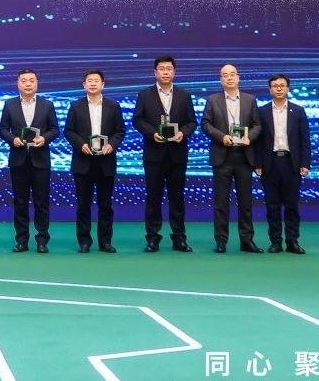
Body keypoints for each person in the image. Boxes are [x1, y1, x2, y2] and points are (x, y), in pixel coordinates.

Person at [132, 55, 197, 252]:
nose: (165, 72)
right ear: (155, 72)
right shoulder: (145, 94)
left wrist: (182, 133)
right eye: (162, 69)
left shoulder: (184, 95)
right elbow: (137, 120)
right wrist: (152, 133)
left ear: (174, 72)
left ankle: (179, 238)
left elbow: (192, 122)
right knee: (153, 198)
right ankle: (152, 238)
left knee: (177, 198)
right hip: (154, 154)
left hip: (177, 154)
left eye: (169, 69)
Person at [201, 64, 264, 254]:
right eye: (225, 75)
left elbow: (257, 125)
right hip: (222, 156)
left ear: (238, 78)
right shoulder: (212, 100)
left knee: (246, 203)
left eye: (232, 74)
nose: (229, 78)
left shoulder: (250, 100)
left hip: (244, 156)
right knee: (221, 202)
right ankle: (221, 240)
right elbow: (205, 124)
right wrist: (221, 137)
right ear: (220, 80)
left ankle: (247, 240)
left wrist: (249, 137)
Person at [64, 70, 126, 253]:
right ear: (84, 85)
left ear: (103, 84)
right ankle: (84, 241)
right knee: (83, 205)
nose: (93, 84)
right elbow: (69, 131)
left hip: (106, 161)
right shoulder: (76, 106)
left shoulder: (113, 106)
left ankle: (105, 241)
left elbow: (120, 131)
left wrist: (112, 145)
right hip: (83, 161)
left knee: (105, 205)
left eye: (96, 81)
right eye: (89, 81)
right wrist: (81, 145)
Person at [0, 68, 60, 253]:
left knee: (42, 202)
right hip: (18, 160)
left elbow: (55, 129)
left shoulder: (47, 105)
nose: (28, 84)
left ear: (37, 83)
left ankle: (42, 240)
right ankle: (21, 240)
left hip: (41, 160)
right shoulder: (9, 104)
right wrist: (12, 139)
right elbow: (3, 129)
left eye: (31, 80)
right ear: (18, 83)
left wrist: (44, 138)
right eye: (24, 80)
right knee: (20, 202)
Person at [255, 74, 312, 254]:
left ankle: (292, 241)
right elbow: (258, 141)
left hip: (291, 164)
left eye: (282, 85)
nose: (278, 88)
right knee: (272, 206)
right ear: (269, 89)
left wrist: (305, 163)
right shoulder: (262, 111)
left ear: (288, 88)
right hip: (269, 163)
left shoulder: (298, 111)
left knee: (291, 205)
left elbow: (305, 140)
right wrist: (258, 163)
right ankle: (275, 242)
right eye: (275, 86)